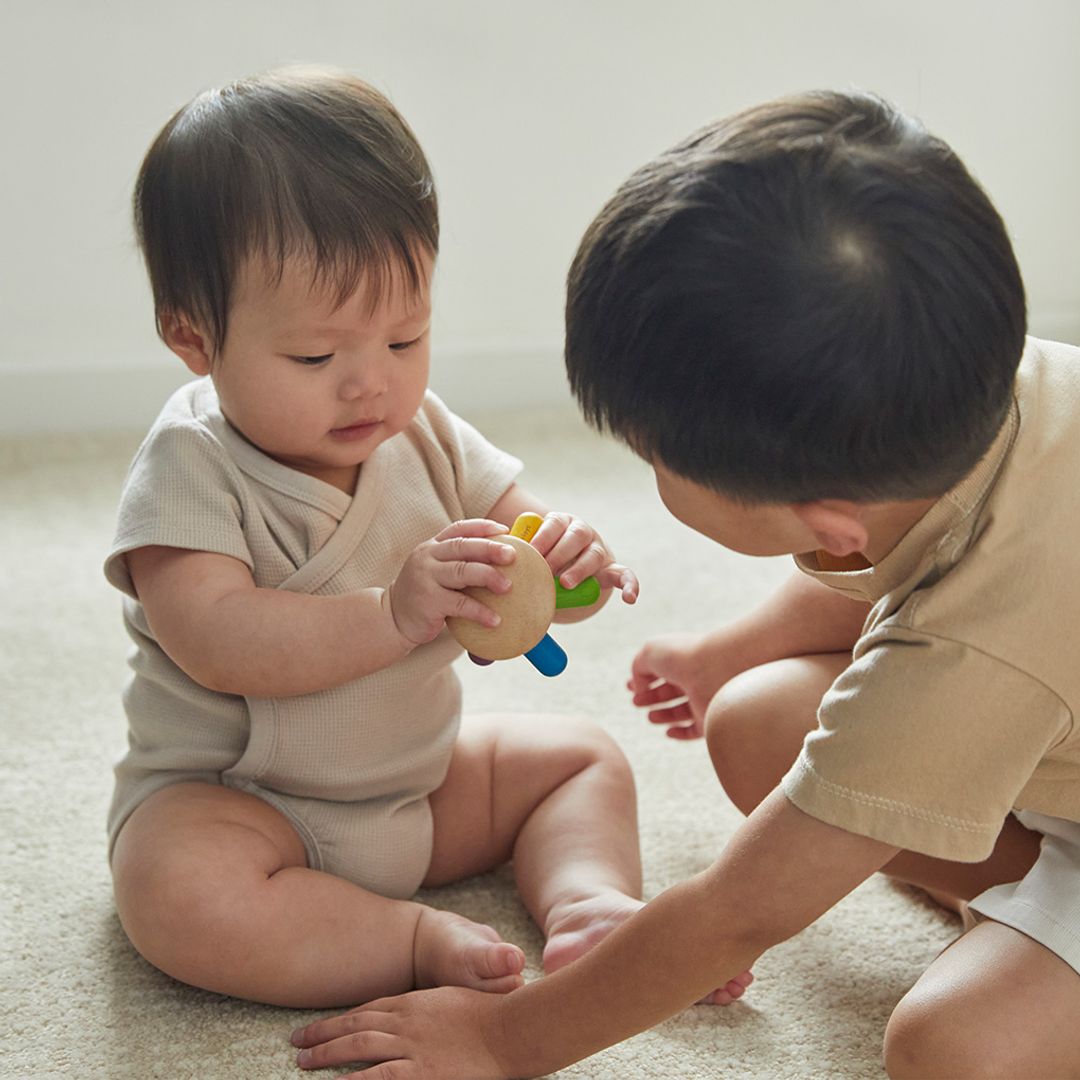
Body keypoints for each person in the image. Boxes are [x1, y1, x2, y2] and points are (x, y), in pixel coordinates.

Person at [289, 89, 1080, 1079]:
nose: (648, 470)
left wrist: (505, 1038)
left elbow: (738, 912)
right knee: (754, 722)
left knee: (953, 1049)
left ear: (822, 515)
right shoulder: (982, 392)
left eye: (658, 457)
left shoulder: (970, 651)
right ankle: (1011, 886)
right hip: (1049, 720)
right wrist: (733, 651)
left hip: (1020, 695)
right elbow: (879, 569)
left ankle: (1027, 921)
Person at [102, 65, 697, 1012]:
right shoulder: (190, 462)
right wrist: (394, 614)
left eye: (405, 338)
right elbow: (216, 642)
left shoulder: (422, 433)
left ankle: (588, 903)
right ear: (194, 339)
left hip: (417, 788)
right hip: (246, 805)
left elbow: (520, 546)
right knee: (175, 894)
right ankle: (406, 940)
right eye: (314, 355)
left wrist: (563, 563)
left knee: (582, 756)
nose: (369, 384)